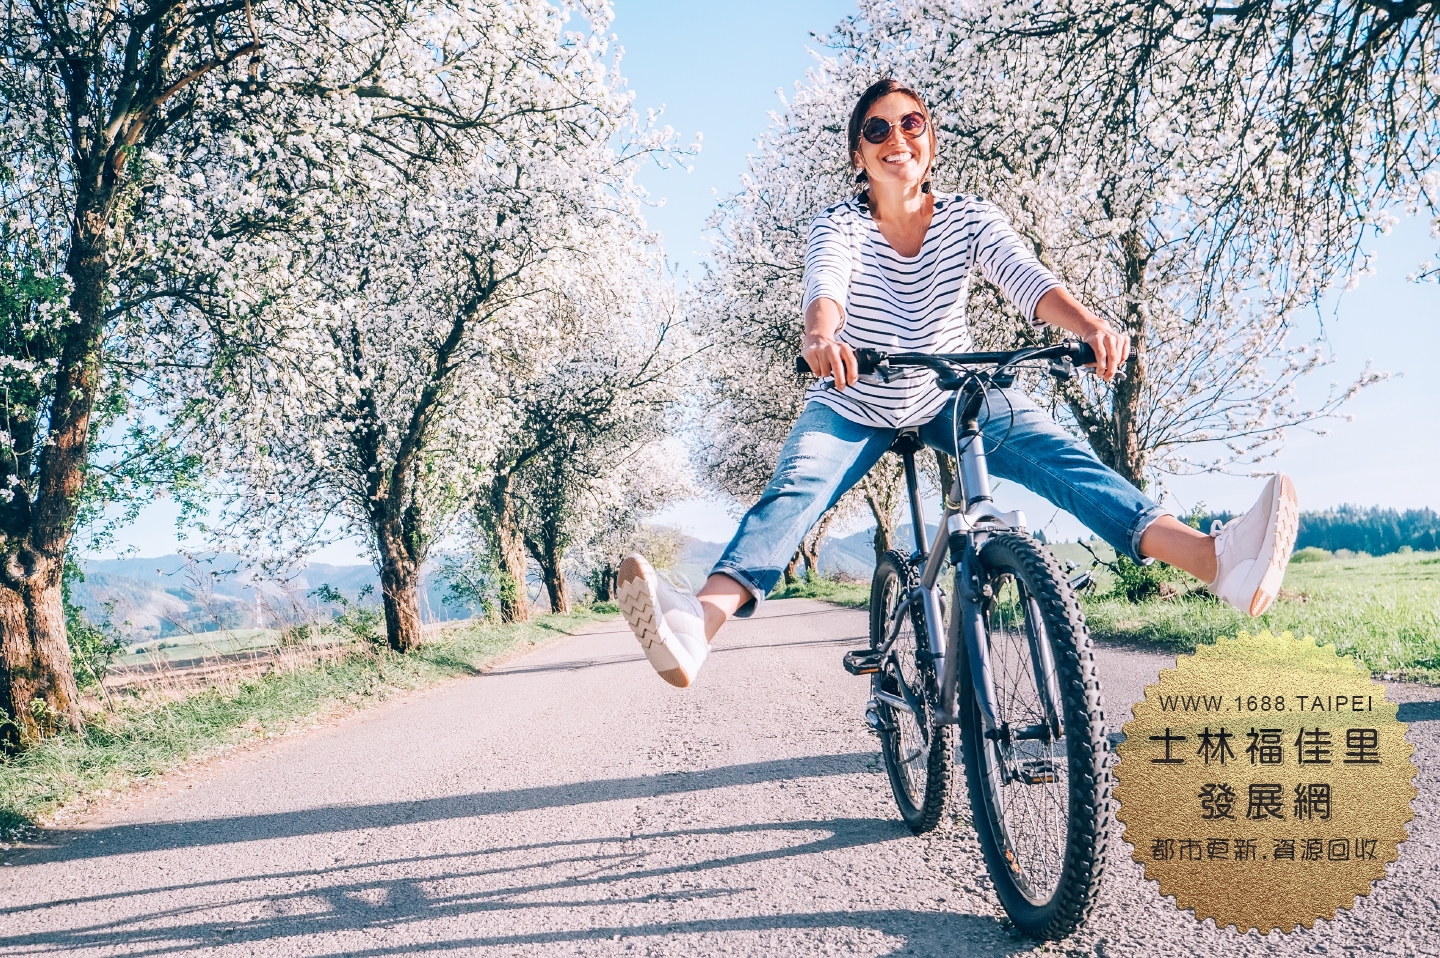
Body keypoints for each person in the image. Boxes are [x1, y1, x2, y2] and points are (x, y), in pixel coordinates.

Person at [617, 78, 1299, 689]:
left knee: (1064, 461)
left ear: (930, 143)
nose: (896, 139)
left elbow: (1025, 276)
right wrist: (822, 338)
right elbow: (826, 287)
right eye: (877, 130)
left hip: (951, 391)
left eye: (911, 124)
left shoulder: (970, 217)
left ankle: (1216, 561)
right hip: (856, 398)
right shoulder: (842, 224)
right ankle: (695, 627)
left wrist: (1089, 325)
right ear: (859, 155)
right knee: (794, 492)